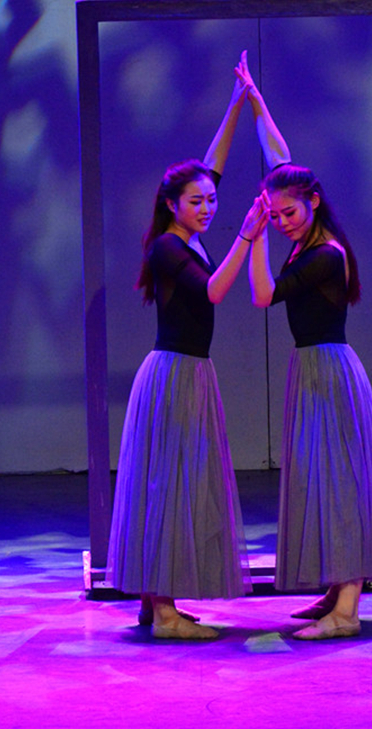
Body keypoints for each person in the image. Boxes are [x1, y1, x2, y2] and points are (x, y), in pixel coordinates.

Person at [238, 52, 372, 641]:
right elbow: (279, 158)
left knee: (339, 481)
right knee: (321, 477)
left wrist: (254, 235)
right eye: (275, 213)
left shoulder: (325, 255)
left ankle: (347, 611)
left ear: (312, 200)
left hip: (328, 372)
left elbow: (261, 295)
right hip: (313, 368)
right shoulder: (308, 234)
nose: (282, 219)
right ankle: (336, 591)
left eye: (288, 212)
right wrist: (256, 101)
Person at [105, 58, 268, 640]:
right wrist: (247, 235)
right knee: (168, 485)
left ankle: (157, 602)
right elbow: (216, 291)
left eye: (210, 200)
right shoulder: (169, 249)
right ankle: (166, 612)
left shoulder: (186, 234)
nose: (207, 207)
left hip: (189, 372)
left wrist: (237, 103)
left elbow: (210, 166)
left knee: (173, 483)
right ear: (172, 204)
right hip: (174, 375)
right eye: (196, 201)